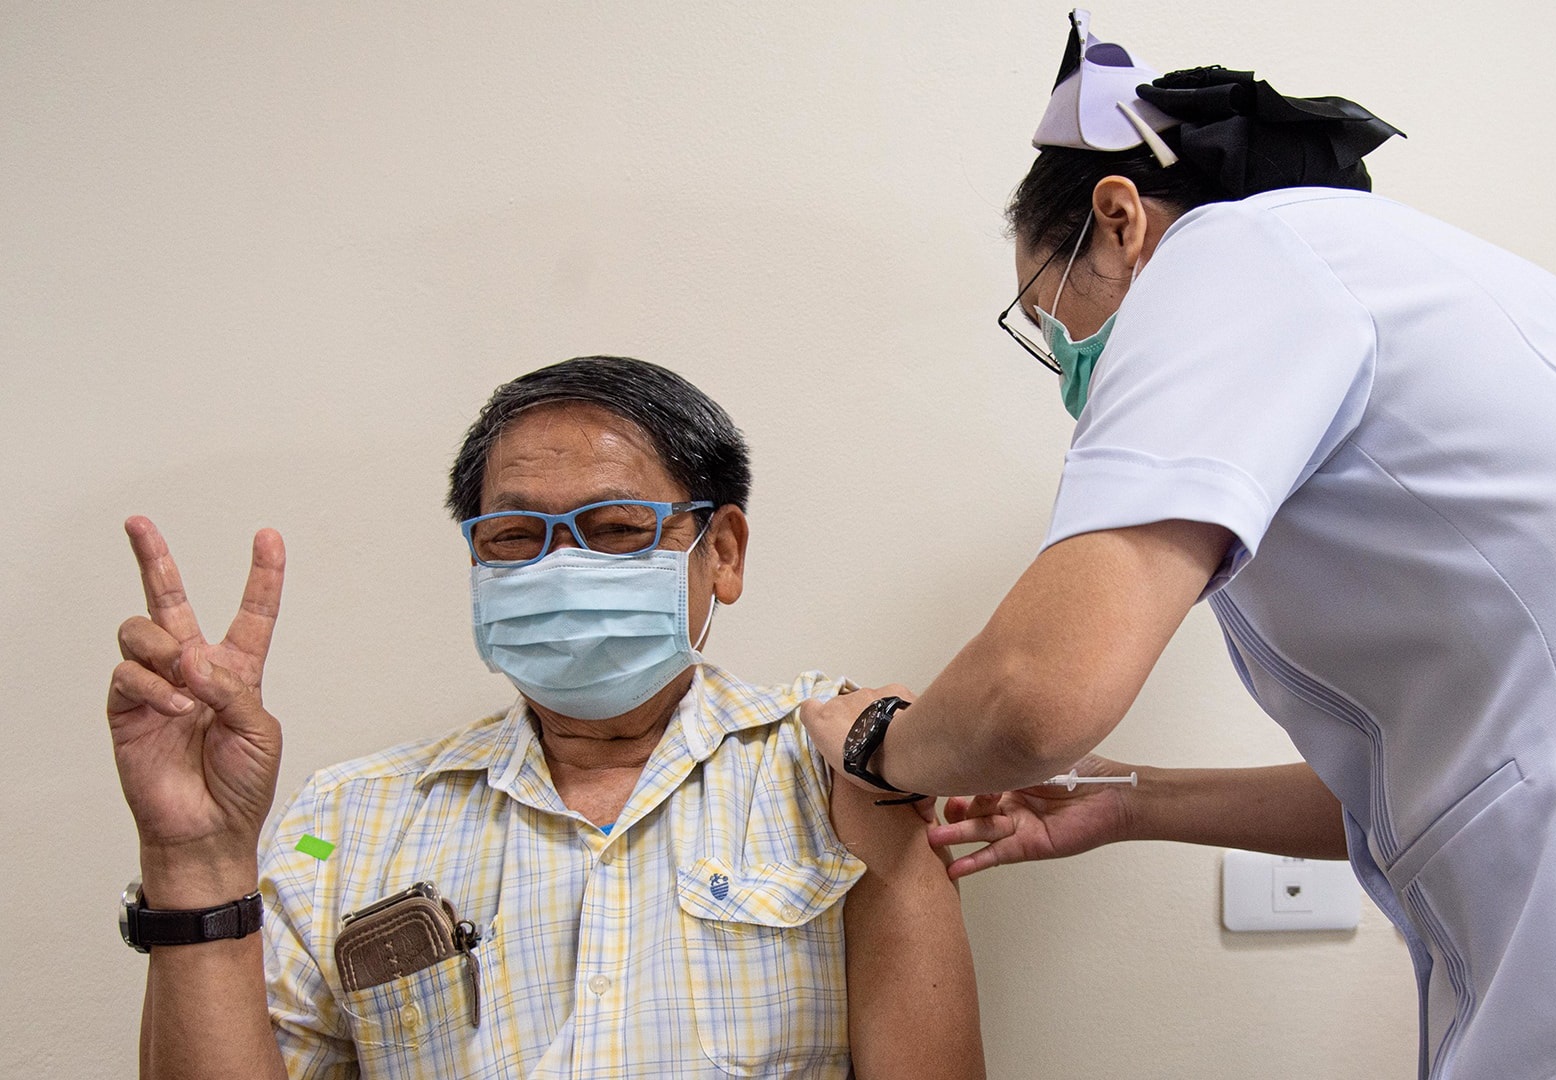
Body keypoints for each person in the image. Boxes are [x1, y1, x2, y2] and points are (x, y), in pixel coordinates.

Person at [799, 10, 1556, 1079]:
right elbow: (1457, 773)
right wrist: (1131, 801)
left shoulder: (1231, 258)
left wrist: (878, 746)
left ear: (1124, 217)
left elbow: (1035, 696)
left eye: (1049, 314)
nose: (1069, 362)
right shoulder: (1435, 281)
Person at [107, 356, 985, 1079]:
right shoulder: (343, 822)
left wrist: (888, 778)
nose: (562, 567)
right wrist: (196, 862)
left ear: (721, 551)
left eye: (612, 531)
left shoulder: (837, 766)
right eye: (516, 538)